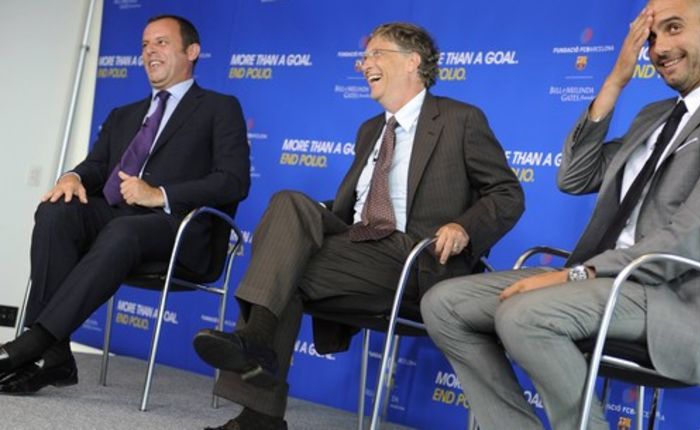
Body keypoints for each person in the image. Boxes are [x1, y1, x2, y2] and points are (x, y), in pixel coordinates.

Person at [420, 0, 700, 428]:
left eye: (674, 28)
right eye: (650, 37)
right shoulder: (655, 116)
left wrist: (578, 274)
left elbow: (694, 235)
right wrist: (614, 82)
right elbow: (574, 177)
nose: (659, 47)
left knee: (525, 315)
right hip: (603, 282)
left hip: (672, 299)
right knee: (444, 304)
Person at [192, 22, 524, 430]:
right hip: (358, 244)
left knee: (283, 265)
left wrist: (464, 226)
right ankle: (258, 366)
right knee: (287, 212)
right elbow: (350, 208)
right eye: (364, 57)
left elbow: (508, 194)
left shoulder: (460, 120)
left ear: (412, 62)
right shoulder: (370, 130)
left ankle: (258, 387)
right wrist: (304, 217)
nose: (363, 64)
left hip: (414, 257)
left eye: (375, 54)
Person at [0, 15, 250, 395]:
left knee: (123, 228)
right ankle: (56, 356)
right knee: (56, 210)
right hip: (118, 222)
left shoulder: (220, 107)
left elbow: (234, 180)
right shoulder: (124, 114)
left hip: (178, 231)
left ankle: (36, 342)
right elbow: (98, 166)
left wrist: (159, 194)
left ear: (192, 52)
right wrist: (74, 177)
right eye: (145, 45)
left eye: (162, 43)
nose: (149, 51)